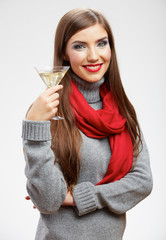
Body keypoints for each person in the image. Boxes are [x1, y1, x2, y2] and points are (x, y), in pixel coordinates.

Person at [22, 8, 153, 240]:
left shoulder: (122, 111)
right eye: (80, 46)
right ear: (64, 53)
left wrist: (76, 197)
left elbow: (142, 182)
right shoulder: (45, 113)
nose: (94, 56)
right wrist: (34, 126)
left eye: (101, 43)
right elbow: (49, 200)